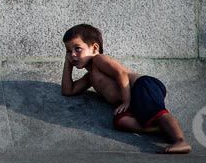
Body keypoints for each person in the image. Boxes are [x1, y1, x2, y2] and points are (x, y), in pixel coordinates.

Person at [61, 23, 192, 154]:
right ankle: (158, 129)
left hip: (142, 86)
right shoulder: (90, 77)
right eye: (68, 51)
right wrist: (68, 64)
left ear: (94, 48)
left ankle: (180, 140)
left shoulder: (99, 60)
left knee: (158, 113)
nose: (72, 54)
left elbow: (121, 73)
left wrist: (126, 100)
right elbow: (68, 91)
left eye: (77, 49)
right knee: (121, 121)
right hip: (131, 100)